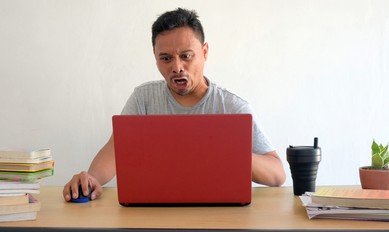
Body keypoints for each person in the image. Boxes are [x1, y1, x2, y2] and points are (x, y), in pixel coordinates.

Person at [63, 8, 285, 201]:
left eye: (186, 56)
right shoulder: (144, 99)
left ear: (204, 52)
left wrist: (229, 151)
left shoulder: (232, 107)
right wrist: (89, 180)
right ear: (155, 57)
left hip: (221, 218)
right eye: (166, 58)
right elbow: (114, 151)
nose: (177, 67)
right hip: (154, 214)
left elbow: (277, 175)